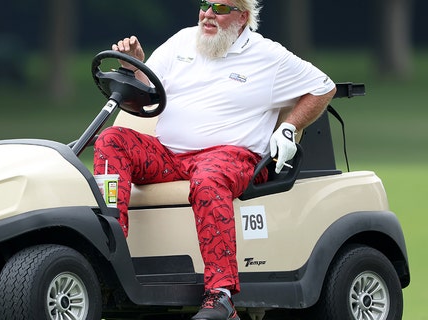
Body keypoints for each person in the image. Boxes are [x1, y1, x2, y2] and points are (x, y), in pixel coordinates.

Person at [93, 1, 337, 319]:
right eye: (205, 4)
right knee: (111, 141)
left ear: (243, 18)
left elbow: (323, 86)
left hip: (232, 156)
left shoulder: (268, 55)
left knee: (208, 177)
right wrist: (135, 68)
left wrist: (290, 127)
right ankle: (109, 255)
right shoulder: (181, 41)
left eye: (221, 7)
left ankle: (220, 294)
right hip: (171, 155)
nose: (208, 13)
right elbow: (147, 94)